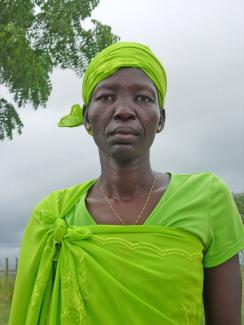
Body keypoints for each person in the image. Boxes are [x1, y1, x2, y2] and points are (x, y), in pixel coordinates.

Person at [9, 42, 244, 325]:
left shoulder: (207, 198)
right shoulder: (54, 216)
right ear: (87, 118)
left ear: (161, 119)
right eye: (106, 97)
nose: (123, 110)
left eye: (143, 99)